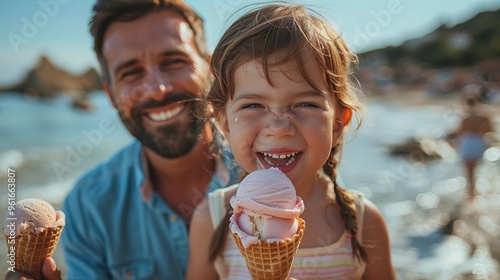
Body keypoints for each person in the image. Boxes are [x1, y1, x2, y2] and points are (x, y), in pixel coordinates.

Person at [6, 0, 240, 279]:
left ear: (211, 68)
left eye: (174, 61)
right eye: (131, 73)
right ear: (110, 94)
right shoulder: (88, 206)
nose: (157, 89)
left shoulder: (277, 175)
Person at [186, 4, 396, 279]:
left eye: (305, 103)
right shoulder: (210, 220)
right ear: (224, 123)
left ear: (338, 123)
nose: (279, 127)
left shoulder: (363, 222)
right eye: (253, 105)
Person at [455, 95, 493, 200]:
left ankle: (471, 194)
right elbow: (489, 129)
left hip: (468, 143)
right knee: (475, 168)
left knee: (469, 171)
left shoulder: (465, 118)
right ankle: (474, 193)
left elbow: (460, 133)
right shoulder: (483, 117)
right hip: (479, 141)